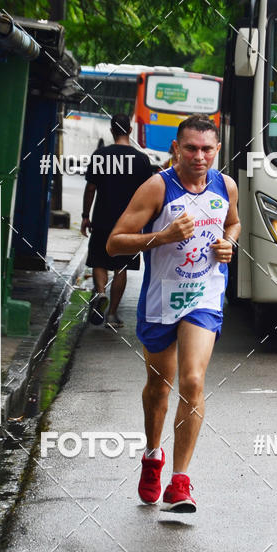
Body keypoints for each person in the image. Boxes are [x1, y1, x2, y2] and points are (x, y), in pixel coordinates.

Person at [107, 115, 240, 512]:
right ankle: (152, 456)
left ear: (217, 151)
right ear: (176, 149)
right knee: (158, 388)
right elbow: (115, 243)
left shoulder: (225, 185)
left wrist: (228, 243)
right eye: (191, 148)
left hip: (205, 294)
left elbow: (233, 223)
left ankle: (180, 482)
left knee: (194, 381)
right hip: (162, 298)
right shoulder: (156, 187)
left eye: (207, 149)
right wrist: (161, 237)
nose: (199, 156)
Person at [81, 114, 153, 327]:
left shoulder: (100, 156)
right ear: (130, 130)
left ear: (112, 130)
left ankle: (101, 292)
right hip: (130, 224)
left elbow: (91, 188)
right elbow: (148, 193)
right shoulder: (141, 159)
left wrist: (86, 216)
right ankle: (112, 314)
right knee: (121, 267)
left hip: (102, 218)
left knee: (99, 261)